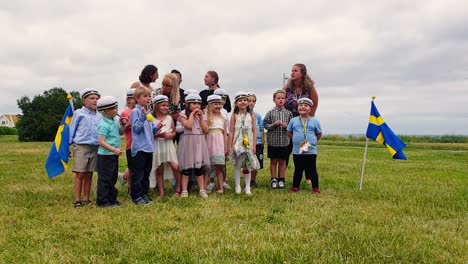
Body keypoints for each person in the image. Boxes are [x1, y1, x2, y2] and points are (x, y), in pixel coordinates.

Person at [283, 63, 319, 181]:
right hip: (289, 123)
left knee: (305, 150)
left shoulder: (309, 88)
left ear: (302, 74)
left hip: (304, 123)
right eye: (292, 70)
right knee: (287, 150)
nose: (292, 73)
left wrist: (308, 121)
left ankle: (308, 176)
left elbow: (314, 104)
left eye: (295, 71)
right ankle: (282, 177)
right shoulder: (287, 88)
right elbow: (280, 100)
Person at [69, 88, 102, 208]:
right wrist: (68, 145)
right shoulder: (79, 113)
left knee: (89, 173)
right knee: (80, 174)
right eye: (92, 98)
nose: (95, 101)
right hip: (81, 146)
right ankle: (77, 200)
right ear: (84, 101)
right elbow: (72, 129)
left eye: (97, 98)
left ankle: (86, 198)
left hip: (95, 147)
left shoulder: (100, 115)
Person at [130, 88, 161, 205]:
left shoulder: (147, 113)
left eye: (149, 96)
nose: (148, 98)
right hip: (139, 148)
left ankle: (144, 194)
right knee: (138, 174)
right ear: (137, 99)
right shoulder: (135, 112)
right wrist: (143, 117)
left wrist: (157, 127)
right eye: (145, 96)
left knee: (146, 173)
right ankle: (136, 196)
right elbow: (136, 129)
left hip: (149, 147)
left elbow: (149, 131)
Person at [177, 93, 211, 198]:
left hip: (199, 141)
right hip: (188, 141)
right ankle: (184, 190)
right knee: (186, 167)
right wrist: (192, 115)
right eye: (194, 103)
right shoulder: (183, 114)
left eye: (198, 103)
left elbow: (206, 130)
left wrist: (201, 118)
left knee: (199, 166)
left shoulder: (202, 115)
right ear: (187, 104)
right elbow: (188, 125)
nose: (197, 106)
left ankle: (202, 189)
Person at [287, 98, 322, 194]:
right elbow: (289, 132)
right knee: (298, 169)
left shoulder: (315, 121)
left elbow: (319, 134)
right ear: (298, 108)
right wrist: (296, 140)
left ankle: (315, 188)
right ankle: (295, 187)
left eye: (306, 106)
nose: (303, 107)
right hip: (297, 150)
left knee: (312, 169)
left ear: (310, 109)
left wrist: (313, 141)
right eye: (300, 105)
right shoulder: (293, 120)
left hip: (311, 150)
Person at [229, 91, 260, 195]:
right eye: (240, 100)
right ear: (236, 103)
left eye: (245, 100)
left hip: (248, 144)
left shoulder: (252, 116)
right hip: (238, 144)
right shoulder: (234, 116)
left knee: (247, 165)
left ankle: (247, 187)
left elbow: (254, 131)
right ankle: (237, 186)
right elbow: (232, 131)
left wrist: (254, 145)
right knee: (238, 165)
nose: (243, 102)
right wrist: (230, 145)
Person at [151, 95, 181, 198]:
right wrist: (159, 135)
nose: (166, 108)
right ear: (156, 106)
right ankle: (161, 192)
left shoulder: (169, 118)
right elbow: (149, 133)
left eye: (167, 106)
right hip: (158, 145)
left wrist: (171, 136)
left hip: (168, 145)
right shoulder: (151, 118)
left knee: (175, 166)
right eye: (163, 105)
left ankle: (178, 188)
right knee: (159, 170)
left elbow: (173, 131)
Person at [96, 96, 124, 207]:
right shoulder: (103, 124)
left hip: (113, 155)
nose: (117, 111)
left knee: (113, 177)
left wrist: (123, 124)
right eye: (115, 108)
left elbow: (121, 132)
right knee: (105, 179)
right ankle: (102, 201)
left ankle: (112, 199)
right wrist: (114, 150)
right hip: (105, 156)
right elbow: (101, 142)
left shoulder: (114, 121)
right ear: (107, 111)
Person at [263, 89, 293, 190]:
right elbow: (265, 125)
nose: (280, 100)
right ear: (274, 100)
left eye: (282, 98)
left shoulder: (288, 113)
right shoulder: (270, 113)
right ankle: (273, 179)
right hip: (273, 142)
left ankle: (282, 179)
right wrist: (273, 125)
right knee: (274, 161)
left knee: (282, 161)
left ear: (285, 100)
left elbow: (292, 127)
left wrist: (286, 126)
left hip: (284, 142)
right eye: (278, 98)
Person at [206, 88, 231, 192]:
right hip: (209, 143)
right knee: (209, 166)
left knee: (219, 166)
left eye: (220, 104)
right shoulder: (207, 117)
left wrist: (226, 147)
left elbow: (225, 134)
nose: (218, 106)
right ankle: (211, 182)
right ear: (210, 105)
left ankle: (221, 187)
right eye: (215, 104)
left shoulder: (223, 118)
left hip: (219, 144)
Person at [119, 88, 136, 196]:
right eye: (134, 98)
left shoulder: (143, 111)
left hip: (142, 144)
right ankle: (130, 188)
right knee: (132, 168)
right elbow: (122, 129)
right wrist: (128, 123)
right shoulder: (125, 113)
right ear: (128, 100)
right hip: (131, 144)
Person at [247, 91, 264, 188]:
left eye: (253, 101)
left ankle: (253, 180)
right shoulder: (242, 114)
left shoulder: (257, 115)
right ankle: (247, 180)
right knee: (247, 162)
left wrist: (262, 140)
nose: (251, 103)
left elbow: (261, 127)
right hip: (246, 143)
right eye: (249, 100)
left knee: (256, 162)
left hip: (257, 142)